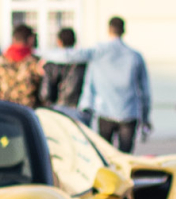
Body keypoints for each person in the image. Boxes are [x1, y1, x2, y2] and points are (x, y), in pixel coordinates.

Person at [80, 16, 151, 152]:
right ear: (124, 30)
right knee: (125, 157)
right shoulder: (135, 56)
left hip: (105, 112)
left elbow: (90, 84)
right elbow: (145, 91)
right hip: (129, 113)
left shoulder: (99, 53)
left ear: (109, 30)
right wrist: (146, 117)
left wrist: (86, 107)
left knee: (105, 155)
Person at [0, 23, 47, 107]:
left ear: (13, 39)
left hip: (4, 111)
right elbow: (44, 93)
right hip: (28, 114)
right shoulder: (36, 63)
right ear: (31, 39)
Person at [40, 25, 88, 109]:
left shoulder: (50, 63)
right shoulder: (83, 63)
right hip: (76, 108)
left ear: (59, 41)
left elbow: (45, 93)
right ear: (75, 41)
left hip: (56, 108)